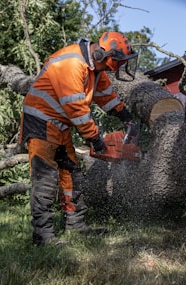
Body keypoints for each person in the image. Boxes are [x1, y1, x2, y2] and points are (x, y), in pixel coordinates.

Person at [19, 31, 138, 246]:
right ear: (102, 55)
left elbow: (106, 95)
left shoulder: (94, 69)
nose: (118, 67)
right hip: (40, 120)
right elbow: (76, 109)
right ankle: (42, 235)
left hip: (60, 124)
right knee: (45, 177)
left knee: (71, 172)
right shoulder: (72, 63)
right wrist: (95, 139)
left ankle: (75, 223)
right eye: (117, 61)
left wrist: (125, 116)